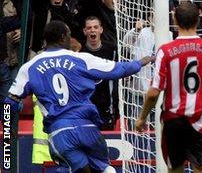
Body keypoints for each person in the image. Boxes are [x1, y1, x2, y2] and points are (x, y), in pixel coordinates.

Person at [4, 20, 152, 172]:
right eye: (69, 35)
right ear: (62, 37)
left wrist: (8, 131)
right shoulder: (81, 59)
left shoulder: (29, 67)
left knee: (73, 169)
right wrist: (140, 63)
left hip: (61, 131)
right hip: (88, 128)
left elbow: (10, 102)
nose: (70, 38)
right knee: (104, 168)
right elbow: (118, 69)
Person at [136, 2, 202, 173]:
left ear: (175, 20)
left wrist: (142, 118)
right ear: (198, 19)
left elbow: (153, 93)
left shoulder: (165, 51)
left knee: (175, 169)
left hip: (174, 121)